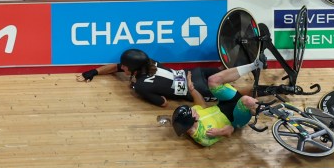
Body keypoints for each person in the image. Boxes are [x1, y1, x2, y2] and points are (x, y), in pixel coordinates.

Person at [78, 48, 243, 107]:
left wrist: (137, 91)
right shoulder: (149, 62)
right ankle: (249, 65)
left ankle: (263, 91)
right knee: (221, 74)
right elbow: (117, 66)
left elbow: (163, 103)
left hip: (198, 89)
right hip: (196, 72)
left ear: (133, 68)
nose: (122, 68)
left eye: (125, 66)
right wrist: (95, 72)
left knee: (236, 95)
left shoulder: (142, 86)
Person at [171, 61, 264, 146]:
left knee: (213, 80)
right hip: (235, 119)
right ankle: (263, 108)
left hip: (224, 103)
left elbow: (201, 105)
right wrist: (220, 132)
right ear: (191, 121)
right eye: (193, 112)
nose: (194, 110)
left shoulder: (192, 117)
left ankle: (255, 64)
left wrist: (192, 90)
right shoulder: (203, 136)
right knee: (247, 101)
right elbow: (230, 130)